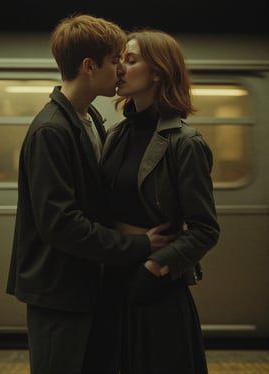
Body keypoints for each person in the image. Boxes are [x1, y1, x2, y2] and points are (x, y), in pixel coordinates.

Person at [6, 15, 171, 374]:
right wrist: (138, 245)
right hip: (59, 295)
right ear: (88, 66)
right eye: (115, 62)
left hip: (85, 287)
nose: (120, 71)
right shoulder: (51, 131)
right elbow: (60, 224)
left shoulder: (91, 119)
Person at [100, 29, 220, 374]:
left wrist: (154, 269)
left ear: (158, 72)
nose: (119, 67)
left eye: (131, 59)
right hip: (113, 281)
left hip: (155, 290)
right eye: (119, 58)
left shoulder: (184, 143)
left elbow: (205, 229)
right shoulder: (115, 136)